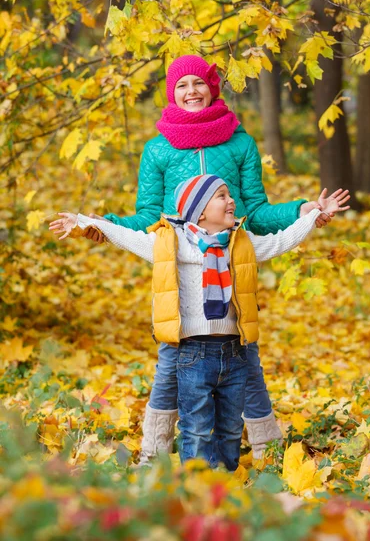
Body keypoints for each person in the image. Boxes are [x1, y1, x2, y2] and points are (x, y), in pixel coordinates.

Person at [78, 54, 334, 463]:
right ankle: (154, 455)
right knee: (168, 371)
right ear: (171, 92)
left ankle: (270, 453)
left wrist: (301, 212)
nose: (191, 91)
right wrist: (104, 224)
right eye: (182, 85)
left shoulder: (239, 142)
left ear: (212, 88)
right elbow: (147, 216)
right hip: (179, 267)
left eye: (198, 83)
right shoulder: (158, 150)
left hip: (231, 260)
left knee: (247, 364)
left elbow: (257, 211)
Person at [49, 175, 350, 470]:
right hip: (191, 354)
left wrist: (315, 216)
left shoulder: (240, 243)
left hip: (234, 351)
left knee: (230, 429)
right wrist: (82, 222)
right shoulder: (171, 243)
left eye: (229, 195)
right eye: (222, 196)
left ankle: (225, 481)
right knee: (196, 426)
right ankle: (196, 483)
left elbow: (282, 241)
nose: (231, 201)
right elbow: (127, 237)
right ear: (200, 211)